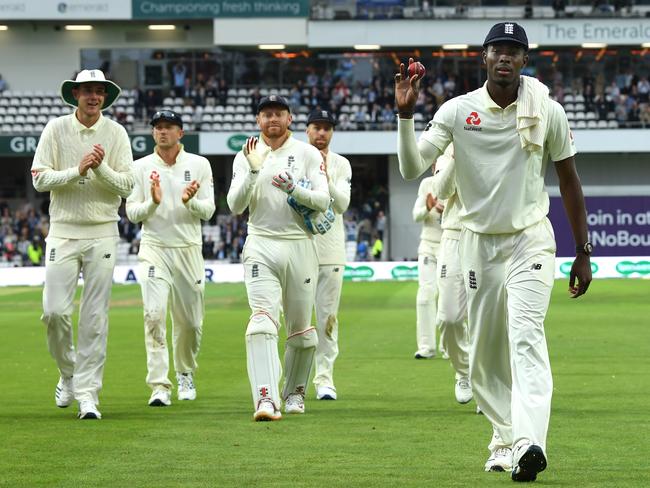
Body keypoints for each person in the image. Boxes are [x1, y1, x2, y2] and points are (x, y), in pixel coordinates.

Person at [395, 22, 592, 482]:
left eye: (514, 51)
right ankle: (505, 437)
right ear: (483, 58)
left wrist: (582, 250)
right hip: (477, 245)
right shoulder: (458, 111)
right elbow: (409, 168)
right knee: (484, 359)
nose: (505, 57)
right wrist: (405, 115)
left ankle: (528, 442)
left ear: (525, 61)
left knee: (526, 338)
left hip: (530, 240)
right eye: (497, 50)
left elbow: (569, 181)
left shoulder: (548, 111)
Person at [31, 70, 134, 420]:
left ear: (105, 96)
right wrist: (77, 170)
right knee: (54, 312)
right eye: (88, 91)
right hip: (62, 231)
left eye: (100, 92)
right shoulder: (56, 129)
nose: (94, 97)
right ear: (75, 94)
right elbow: (40, 179)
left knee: (94, 318)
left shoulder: (116, 132)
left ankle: (89, 394)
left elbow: (127, 186)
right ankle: (69, 373)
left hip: (103, 231)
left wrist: (99, 167)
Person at [227, 95, 330, 421]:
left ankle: (295, 393)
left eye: (278, 114)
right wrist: (254, 172)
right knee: (260, 322)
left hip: (300, 244)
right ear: (259, 120)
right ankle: (266, 400)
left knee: (302, 331)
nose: (272, 119)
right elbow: (234, 205)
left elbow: (323, 201)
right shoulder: (246, 154)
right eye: (266, 114)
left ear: (289, 118)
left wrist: (294, 191)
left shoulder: (307, 153)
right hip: (261, 242)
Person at [126, 110, 215, 407]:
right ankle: (159, 385)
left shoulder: (199, 164)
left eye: (169, 127)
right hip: (154, 248)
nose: (162, 132)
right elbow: (132, 213)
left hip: (188, 248)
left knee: (190, 322)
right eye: (158, 127)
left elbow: (209, 211)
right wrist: (152, 202)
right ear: (153, 133)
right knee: (153, 315)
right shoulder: (139, 167)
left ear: (181, 133)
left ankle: (185, 373)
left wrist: (191, 202)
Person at [305, 109, 352, 401]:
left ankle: (324, 379)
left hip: (331, 250)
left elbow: (343, 204)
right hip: (298, 247)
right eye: (316, 127)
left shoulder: (341, 164)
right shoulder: (294, 157)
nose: (321, 133)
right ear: (307, 130)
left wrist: (324, 175)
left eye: (327, 128)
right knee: (297, 321)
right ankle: (295, 379)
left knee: (326, 319)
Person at [430, 145, 472, 404]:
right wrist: (458, 156)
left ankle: (488, 382)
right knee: (449, 317)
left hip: (491, 235)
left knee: (488, 318)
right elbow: (442, 192)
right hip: (455, 235)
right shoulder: (448, 153)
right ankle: (464, 371)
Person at [411, 167, 443, 359]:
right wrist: (428, 208)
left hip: (451, 245)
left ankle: (449, 345)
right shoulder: (427, 185)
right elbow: (416, 215)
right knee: (425, 296)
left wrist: (447, 211)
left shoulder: (462, 180)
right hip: (428, 246)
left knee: (450, 298)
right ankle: (426, 347)